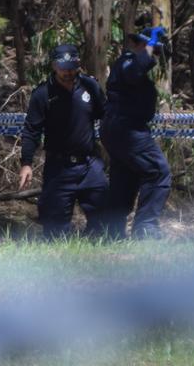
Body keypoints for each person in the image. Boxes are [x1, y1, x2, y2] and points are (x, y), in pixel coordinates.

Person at [19, 44, 109, 238]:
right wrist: (26, 163)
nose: (68, 72)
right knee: (54, 232)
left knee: (106, 223)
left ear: (78, 65)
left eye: (72, 67)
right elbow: (31, 131)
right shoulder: (42, 94)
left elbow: (106, 116)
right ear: (53, 66)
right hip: (59, 168)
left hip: (89, 164)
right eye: (63, 68)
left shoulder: (90, 86)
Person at [102, 25, 171, 239]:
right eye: (151, 48)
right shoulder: (127, 62)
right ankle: (145, 228)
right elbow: (134, 71)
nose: (155, 55)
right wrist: (151, 45)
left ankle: (112, 232)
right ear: (139, 44)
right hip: (127, 130)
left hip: (121, 129)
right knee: (158, 172)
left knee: (125, 177)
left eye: (157, 52)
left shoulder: (131, 64)